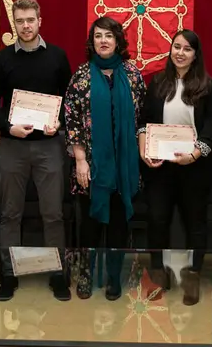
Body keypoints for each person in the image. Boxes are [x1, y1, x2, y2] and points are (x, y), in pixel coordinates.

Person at [0, 0, 72, 301]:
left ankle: (57, 274)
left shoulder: (57, 57)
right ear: (14, 23)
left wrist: (57, 123)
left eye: (30, 20)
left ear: (39, 20)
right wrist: (7, 127)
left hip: (49, 147)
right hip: (12, 147)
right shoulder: (2, 59)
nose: (25, 26)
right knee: (9, 214)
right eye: (19, 21)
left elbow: (68, 100)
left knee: (53, 215)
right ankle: (9, 274)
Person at [64, 16, 146, 300]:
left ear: (118, 40)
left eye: (108, 36)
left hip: (124, 167)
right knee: (89, 225)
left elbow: (142, 120)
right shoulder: (82, 76)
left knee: (118, 226)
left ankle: (114, 278)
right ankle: (85, 276)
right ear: (92, 41)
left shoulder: (133, 76)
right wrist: (80, 160)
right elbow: (71, 120)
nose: (103, 41)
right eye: (98, 36)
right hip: (91, 167)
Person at [138, 29, 212, 306]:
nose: (180, 53)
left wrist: (196, 154)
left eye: (187, 48)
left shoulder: (208, 86)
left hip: (195, 168)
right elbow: (144, 121)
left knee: (195, 225)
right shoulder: (157, 82)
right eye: (176, 47)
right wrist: (144, 149)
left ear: (195, 54)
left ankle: (191, 278)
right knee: (157, 220)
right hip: (160, 168)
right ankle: (158, 277)